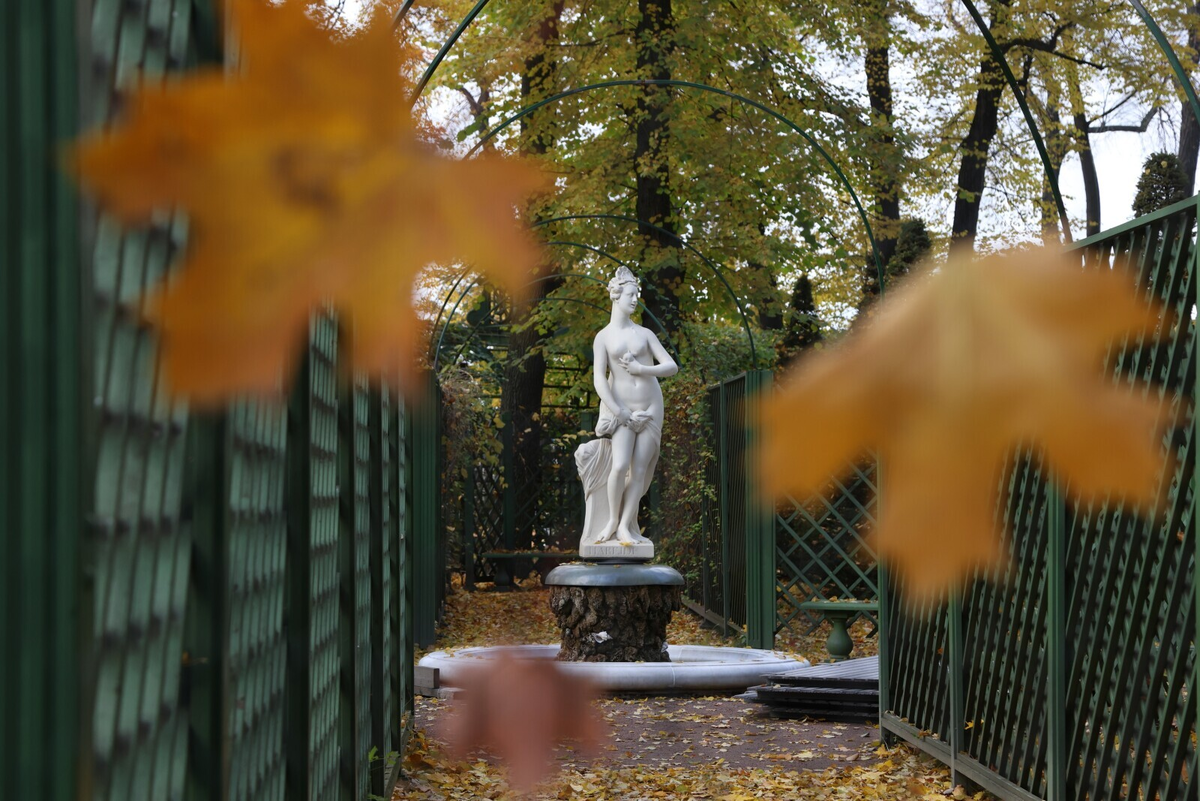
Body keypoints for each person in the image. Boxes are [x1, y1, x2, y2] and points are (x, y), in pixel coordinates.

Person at [590, 266, 678, 545]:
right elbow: (600, 380)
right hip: (623, 410)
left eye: (637, 295)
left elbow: (671, 367)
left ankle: (627, 524)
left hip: (651, 407)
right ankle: (613, 521)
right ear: (616, 296)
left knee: (640, 470)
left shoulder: (645, 334)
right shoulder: (603, 337)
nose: (634, 300)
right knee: (619, 467)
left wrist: (641, 369)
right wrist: (621, 412)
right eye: (630, 294)